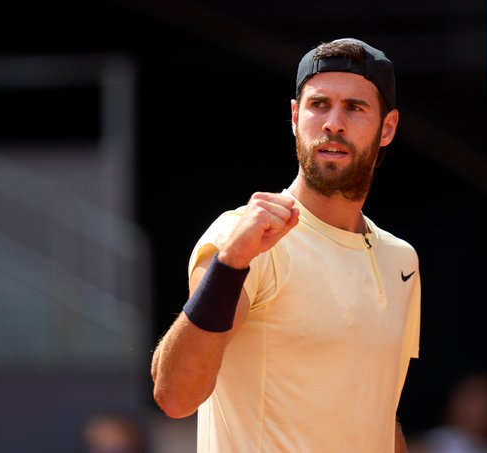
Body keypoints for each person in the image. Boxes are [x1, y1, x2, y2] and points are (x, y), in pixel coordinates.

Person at [150, 37, 421, 452]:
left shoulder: (402, 259)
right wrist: (232, 262)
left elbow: (379, 417)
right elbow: (175, 396)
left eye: (354, 107)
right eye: (319, 105)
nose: (333, 123)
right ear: (295, 117)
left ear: (387, 128)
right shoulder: (241, 236)